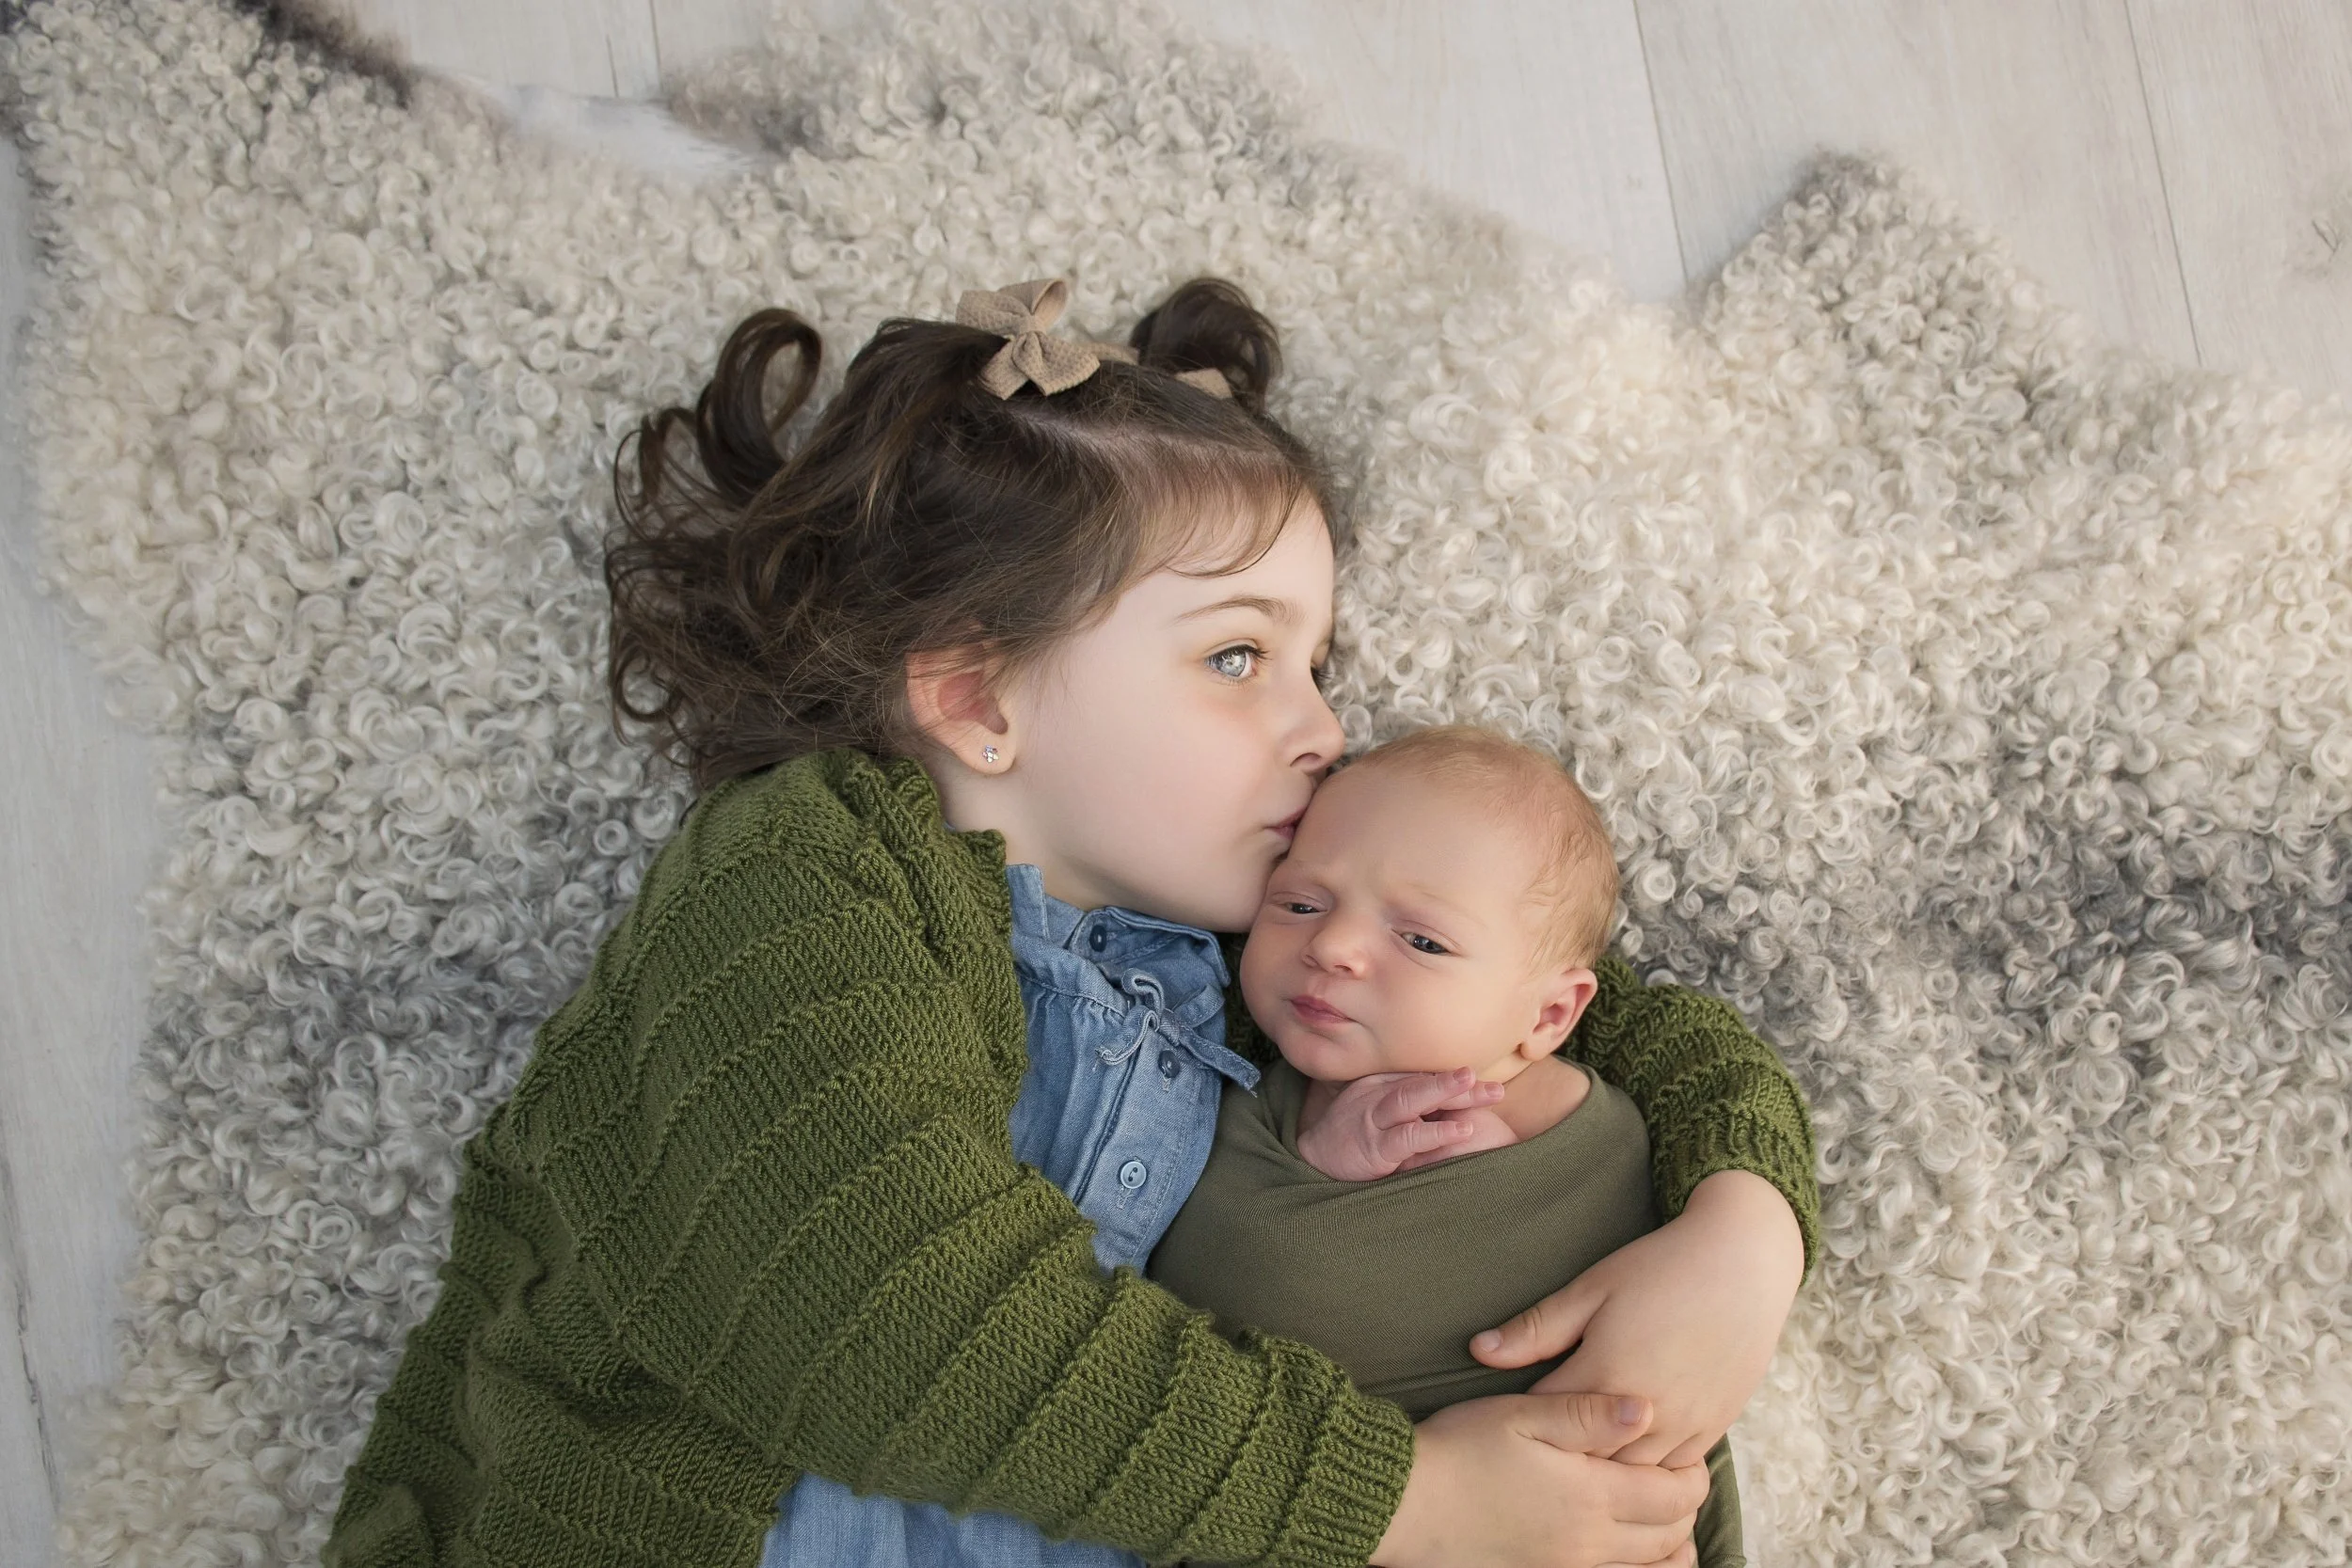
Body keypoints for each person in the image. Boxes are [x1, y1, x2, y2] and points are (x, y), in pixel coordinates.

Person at [322, 275, 1817, 1568]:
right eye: (1241, 657)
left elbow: (1575, 996)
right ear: (978, 696)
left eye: (1318, 660)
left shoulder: (1273, 947)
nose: (1323, 726)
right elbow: (890, 1304)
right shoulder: (800, 881)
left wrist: (1744, 1228)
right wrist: (1402, 1501)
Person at [1150, 724, 1749, 1568]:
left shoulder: (1624, 1143)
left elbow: (1686, 1419)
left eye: (1423, 940)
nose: (1332, 947)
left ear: (1547, 1016)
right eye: (1300, 903)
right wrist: (1317, 1167)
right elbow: (1192, 1281)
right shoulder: (1248, 1096)